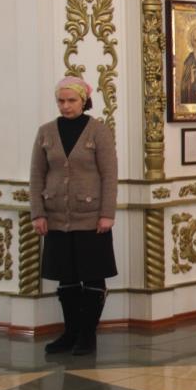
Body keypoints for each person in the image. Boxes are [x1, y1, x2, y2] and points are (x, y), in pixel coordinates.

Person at [30, 77, 118, 356]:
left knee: (92, 276)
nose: (66, 106)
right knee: (65, 277)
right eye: (61, 101)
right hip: (56, 217)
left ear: (83, 101)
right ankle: (70, 333)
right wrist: (38, 213)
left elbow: (109, 175)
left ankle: (87, 335)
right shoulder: (45, 132)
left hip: (91, 217)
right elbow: (36, 175)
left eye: (71, 100)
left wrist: (107, 214)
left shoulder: (99, 131)